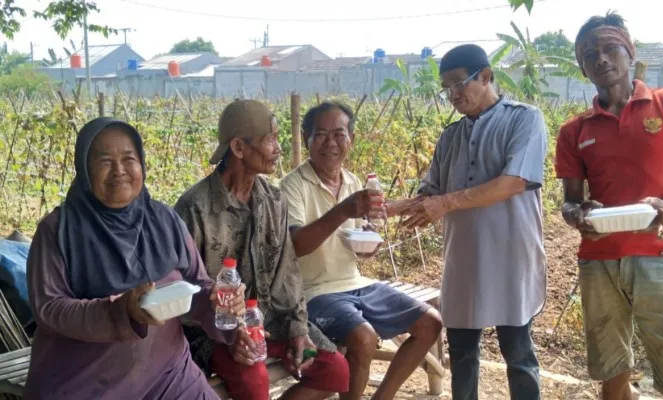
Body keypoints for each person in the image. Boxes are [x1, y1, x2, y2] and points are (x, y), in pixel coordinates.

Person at [24, 117, 245, 400]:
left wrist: (220, 302)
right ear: (84, 169)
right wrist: (121, 311)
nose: (119, 171)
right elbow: (50, 309)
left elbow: (197, 286)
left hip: (168, 377)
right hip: (86, 385)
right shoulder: (58, 231)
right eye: (105, 161)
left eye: (129, 159)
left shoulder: (165, 220)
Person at [555, 12, 663, 400]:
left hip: (660, 253)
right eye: (590, 53)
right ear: (582, 66)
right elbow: (570, 202)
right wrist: (578, 215)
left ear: (629, 52)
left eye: (610, 48)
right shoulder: (574, 131)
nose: (601, 58)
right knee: (611, 373)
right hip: (599, 260)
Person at [399, 44, 548, 400]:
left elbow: (513, 182)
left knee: (519, 354)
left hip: (511, 255)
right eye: (445, 88)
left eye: (458, 84)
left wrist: (446, 202)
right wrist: (382, 207)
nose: (452, 95)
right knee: (463, 353)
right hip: (464, 259)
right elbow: (430, 194)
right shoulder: (451, 136)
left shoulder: (524, 118)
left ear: (485, 76)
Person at [174, 99, 349, 400]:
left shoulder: (273, 200)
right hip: (214, 331)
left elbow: (288, 272)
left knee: (335, 370)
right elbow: (184, 290)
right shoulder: (195, 208)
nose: (278, 148)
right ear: (239, 148)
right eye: (270, 139)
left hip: (270, 320)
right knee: (255, 381)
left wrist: (298, 328)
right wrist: (231, 333)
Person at [279, 100, 443, 400]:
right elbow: (296, 246)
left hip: (356, 283)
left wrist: (367, 245)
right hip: (313, 291)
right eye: (321, 134)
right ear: (306, 139)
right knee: (364, 339)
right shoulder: (292, 186)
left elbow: (355, 239)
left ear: (350, 140)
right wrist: (343, 209)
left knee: (431, 323)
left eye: (339, 134)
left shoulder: (353, 182)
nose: (331, 143)